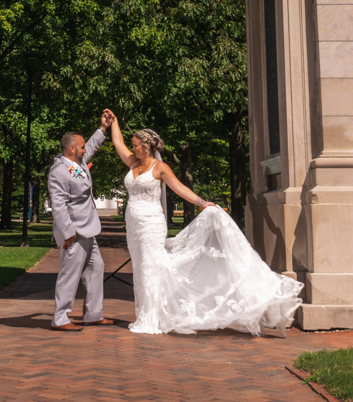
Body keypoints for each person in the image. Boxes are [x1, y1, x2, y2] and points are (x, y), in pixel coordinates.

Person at [105, 111, 302, 335]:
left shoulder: (160, 168)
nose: (133, 149)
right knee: (140, 269)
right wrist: (115, 122)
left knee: (152, 268)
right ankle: (145, 314)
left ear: (147, 146)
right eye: (133, 145)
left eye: (136, 145)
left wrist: (202, 203)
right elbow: (117, 142)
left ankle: (153, 319)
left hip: (151, 225)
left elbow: (180, 189)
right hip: (133, 227)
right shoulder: (132, 163)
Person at [46, 112, 115, 332]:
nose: (85, 149)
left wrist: (103, 128)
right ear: (71, 149)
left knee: (96, 268)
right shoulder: (58, 172)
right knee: (70, 274)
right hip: (73, 233)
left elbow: (93, 146)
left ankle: (93, 315)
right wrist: (67, 233)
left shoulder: (78, 162)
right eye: (82, 146)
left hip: (88, 230)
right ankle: (60, 318)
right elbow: (58, 205)